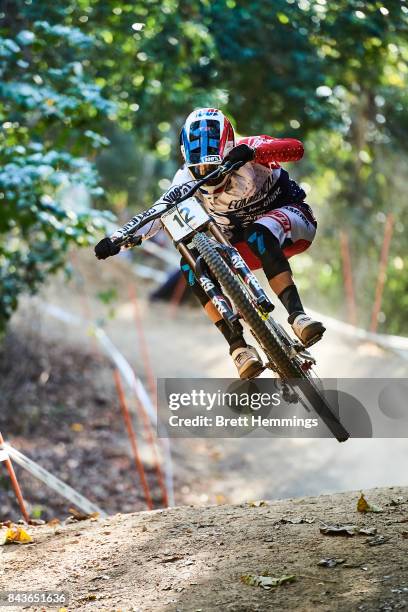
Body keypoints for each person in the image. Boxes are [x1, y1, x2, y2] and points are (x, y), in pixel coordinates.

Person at [95, 108, 325, 379]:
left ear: (228, 149)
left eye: (212, 167)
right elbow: (155, 214)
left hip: (291, 222)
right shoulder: (185, 179)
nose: (206, 174)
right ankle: (238, 347)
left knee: (259, 232)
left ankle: (298, 316)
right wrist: (117, 240)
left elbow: (295, 149)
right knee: (191, 265)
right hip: (245, 246)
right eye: (198, 169)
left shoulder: (250, 148)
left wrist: (254, 154)